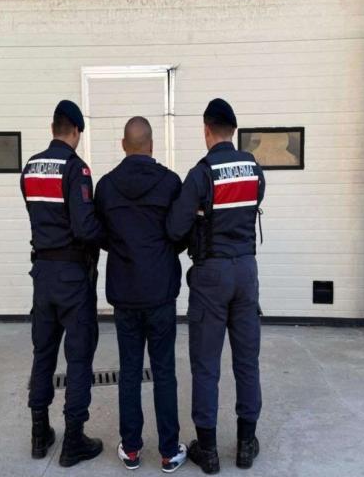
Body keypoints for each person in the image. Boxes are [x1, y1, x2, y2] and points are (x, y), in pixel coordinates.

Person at [166, 98, 266, 474]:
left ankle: (207, 451)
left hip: (211, 275)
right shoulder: (253, 168)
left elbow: (175, 228)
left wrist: (197, 218)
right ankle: (245, 445)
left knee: (206, 364)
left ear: (206, 130)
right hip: (246, 272)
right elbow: (251, 203)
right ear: (233, 131)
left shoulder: (201, 173)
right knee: (247, 361)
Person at [94, 117, 188, 473]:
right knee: (164, 371)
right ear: (151, 144)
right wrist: (161, 253)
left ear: (124, 145)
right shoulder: (171, 183)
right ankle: (169, 451)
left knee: (130, 370)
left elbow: (99, 233)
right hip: (160, 291)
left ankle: (131, 449)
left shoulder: (106, 187)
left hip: (125, 292)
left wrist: (122, 248)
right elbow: (180, 233)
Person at [20, 100, 105, 468]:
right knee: (79, 356)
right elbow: (85, 228)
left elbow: (35, 214)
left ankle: (39, 434)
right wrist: (108, 236)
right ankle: (74, 440)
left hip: (42, 275)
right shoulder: (75, 169)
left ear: (53, 128)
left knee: (43, 353)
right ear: (76, 131)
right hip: (72, 275)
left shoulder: (30, 167)